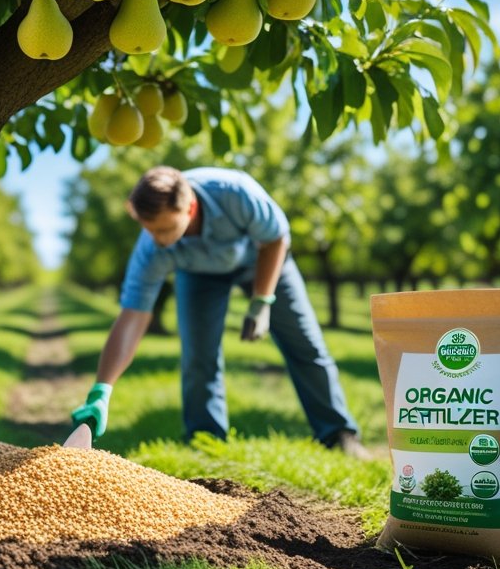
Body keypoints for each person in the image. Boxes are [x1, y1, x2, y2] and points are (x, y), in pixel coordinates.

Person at [70, 166, 368, 458]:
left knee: (305, 344)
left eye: (165, 229)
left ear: (191, 208)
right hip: (199, 274)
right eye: (150, 231)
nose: (158, 240)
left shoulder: (234, 193)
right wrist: (102, 390)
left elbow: (276, 238)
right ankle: (205, 439)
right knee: (199, 356)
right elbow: (132, 317)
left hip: (263, 259)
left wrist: (262, 300)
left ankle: (339, 433)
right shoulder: (151, 248)